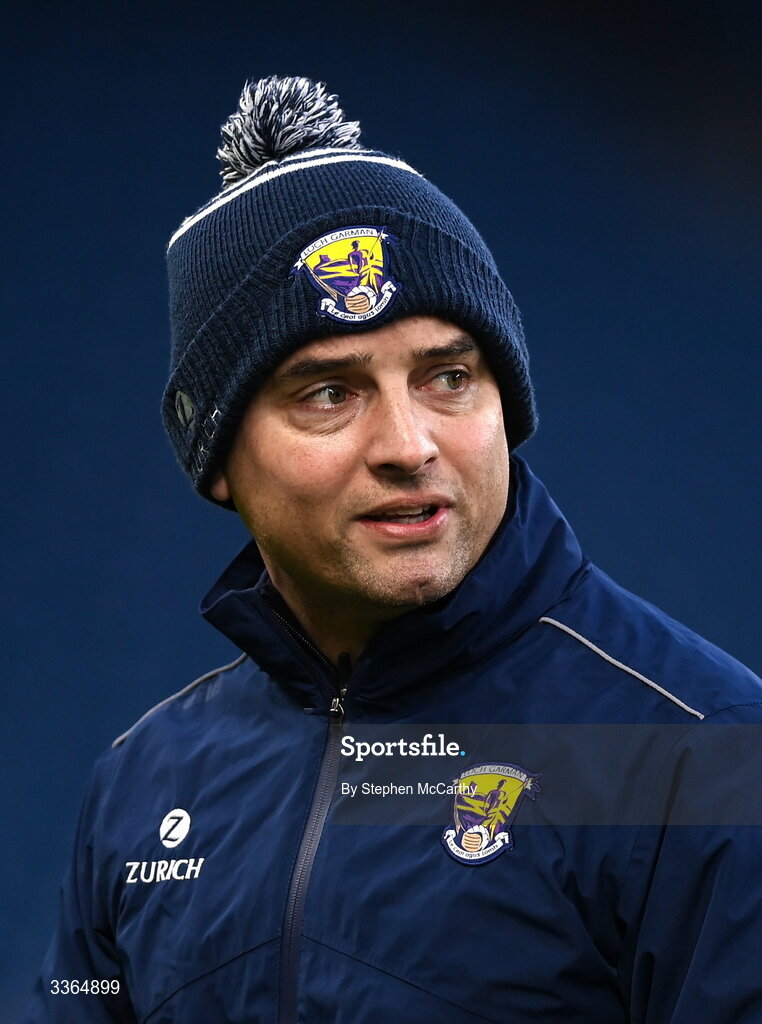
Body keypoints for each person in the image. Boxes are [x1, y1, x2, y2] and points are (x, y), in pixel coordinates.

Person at [27, 74, 762, 1023]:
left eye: (449, 376)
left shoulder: (703, 758)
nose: (409, 445)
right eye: (328, 393)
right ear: (215, 458)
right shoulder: (141, 783)